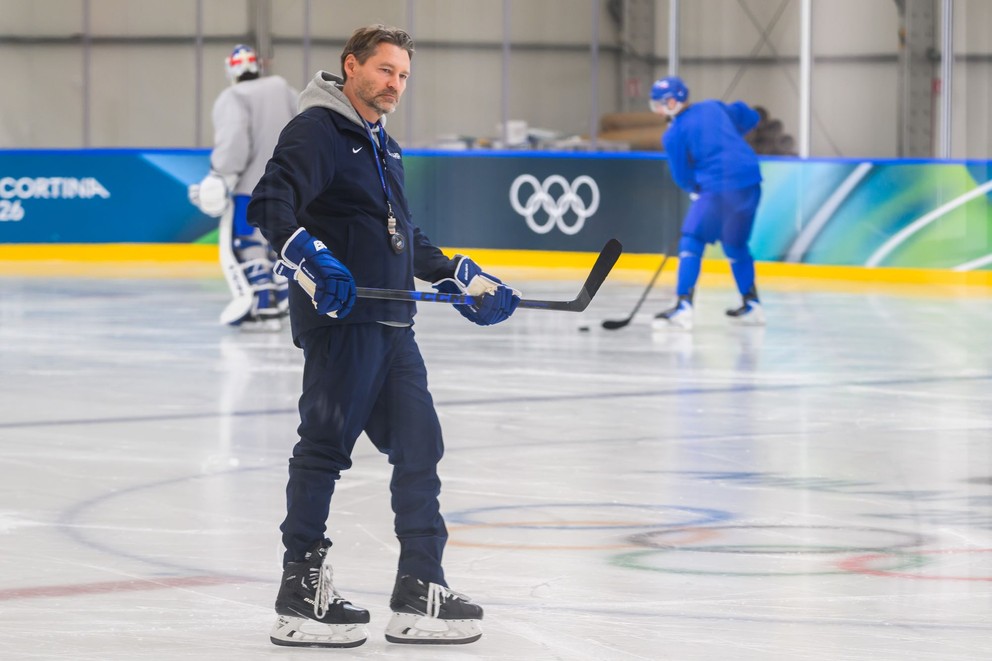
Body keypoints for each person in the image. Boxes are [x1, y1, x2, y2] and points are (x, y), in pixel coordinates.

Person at [246, 25, 520, 648]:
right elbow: (270, 205)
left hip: (395, 326)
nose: (395, 84)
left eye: (403, 75)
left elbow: (400, 235)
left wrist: (459, 276)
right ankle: (301, 595)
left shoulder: (382, 146)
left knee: (421, 448)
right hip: (344, 325)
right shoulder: (318, 129)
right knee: (323, 448)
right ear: (352, 67)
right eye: (385, 71)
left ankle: (420, 587)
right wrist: (313, 260)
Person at [189, 44, 298, 329]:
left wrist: (219, 176)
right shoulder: (284, 89)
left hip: (250, 189)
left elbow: (234, 143)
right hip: (291, 187)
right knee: (283, 243)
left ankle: (263, 301)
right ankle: (285, 293)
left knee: (249, 244)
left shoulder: (233, 96)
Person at [648, 75, 766, 330]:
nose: (657, 110)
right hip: (751, 181)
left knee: (692, 239)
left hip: (719, 187)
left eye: (660, 103)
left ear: (673, 101)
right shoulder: (714, 106)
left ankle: (683, 306)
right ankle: (752, 303)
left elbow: (681, 174)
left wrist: (694, 188)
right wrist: (728, 134)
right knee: (735, 244)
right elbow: (749, 116)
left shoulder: (674, 134)